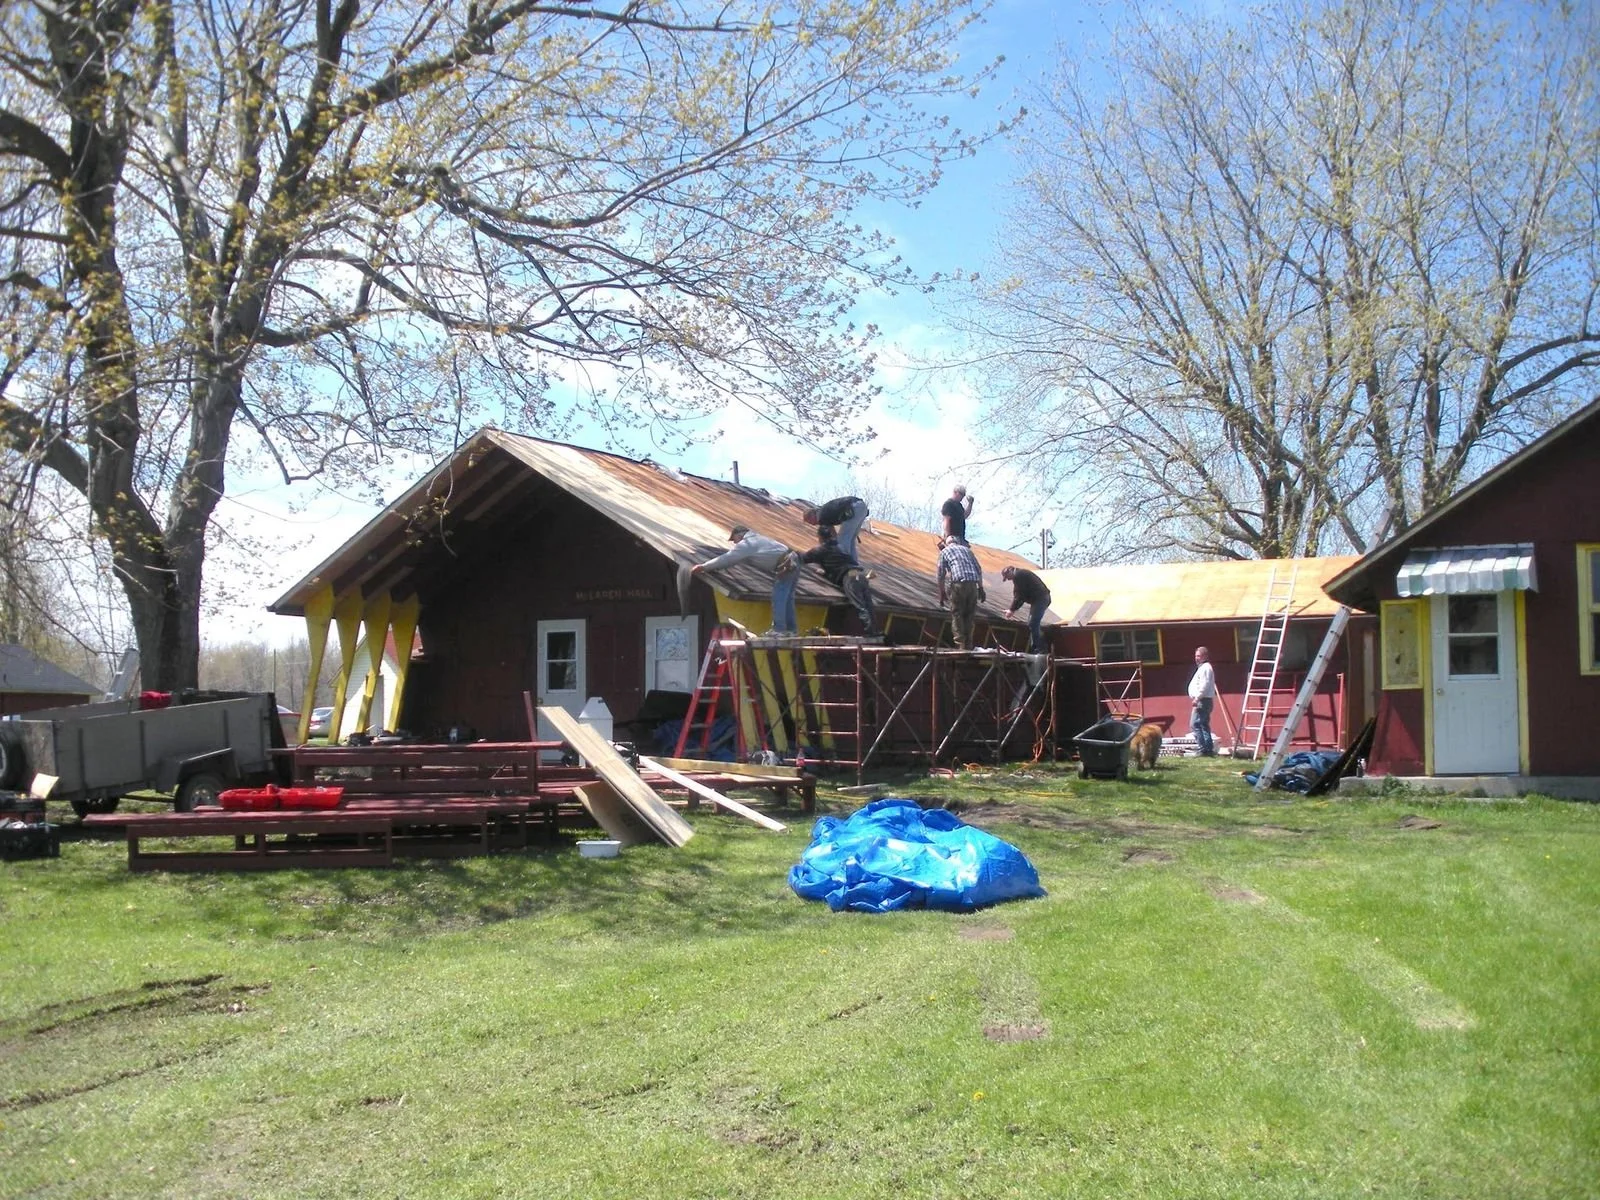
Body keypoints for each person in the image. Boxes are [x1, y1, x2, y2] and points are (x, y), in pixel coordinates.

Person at [692, 525, 800, 634]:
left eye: (734, 539)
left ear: (739, 535)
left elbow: (728, 558)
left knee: (779, 597)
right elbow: (731, 561)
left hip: (786, 563)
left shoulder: (747, 544)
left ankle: (779, 630)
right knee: (787, 598)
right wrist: (716, 568)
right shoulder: (758, 539)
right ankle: (791, 630)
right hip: (793, 560)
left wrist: (704, 567)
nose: (734, 543)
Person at [799, 525, 875, 632]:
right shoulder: (841, 547)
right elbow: (837, 565)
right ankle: (875, 631)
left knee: (859, 604)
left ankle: (870, 630)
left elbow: (802, 558)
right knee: (868, 605)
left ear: (819, 537)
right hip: (861, 575)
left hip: (851, 576)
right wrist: (825, 574)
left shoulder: (821, 550)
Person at [936, 534, 985, 650]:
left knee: (957, 613)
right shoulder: (967, 551)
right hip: (973, 585)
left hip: (958, 584)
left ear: (946, 543)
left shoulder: (945, 552)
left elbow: (940, 573)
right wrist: (981, 588)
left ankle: (960, 644)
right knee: (969, 615)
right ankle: (968, 644)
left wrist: (942, 592)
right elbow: (978, 569)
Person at [802, 495, 869, 563]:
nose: (812, 524)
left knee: (843, 538)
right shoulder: (824, 512)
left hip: (854, 507)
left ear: (812, 515)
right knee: (850, 539)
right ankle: (854, 564)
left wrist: (825, 552)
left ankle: (845, 563)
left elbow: (825, 538)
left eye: (809, 521)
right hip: (861, 507)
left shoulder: (821, 516)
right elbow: (833, 534)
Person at [1001, 565, 1052, 652]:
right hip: (1039, 600)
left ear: (1010, 571)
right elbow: (1019, 595)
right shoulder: (1020, 575)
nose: (1009, 579)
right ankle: (1037, 647)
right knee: (1032, 624)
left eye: (1007, 577)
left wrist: (1011, 610)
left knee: (1033, 623)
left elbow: (1020, 595)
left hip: (1041, 599)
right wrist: (1013, 609)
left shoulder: (1019, 575)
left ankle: (1040, 648)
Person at [1188, 646, 1217, 756]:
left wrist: (1197, 698)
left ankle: (1203, 749)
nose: (1196, 658)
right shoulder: (1203, 668)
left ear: (1205, 656)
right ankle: (1208, 749)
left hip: (1202, 700)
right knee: (1203, 724)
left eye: (1199, 656)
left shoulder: (1205, 668)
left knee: (1195, 724)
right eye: (1196, 656)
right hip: (1204, 700)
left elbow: (1204, 686)